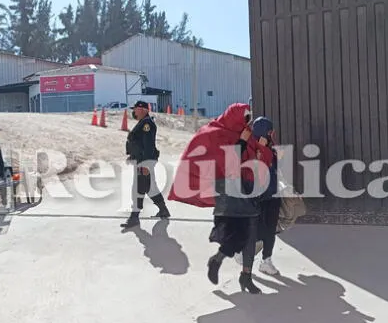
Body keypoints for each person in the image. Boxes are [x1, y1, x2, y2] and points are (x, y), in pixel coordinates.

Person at [168, 103, 265, 293]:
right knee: (235, 234)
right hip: (226, 192)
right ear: (234, 117)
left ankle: (246, 276)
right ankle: (218, 260)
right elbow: (228, 166)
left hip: (246, 189)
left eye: (249, 118)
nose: (247, 122)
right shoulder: (213, 134)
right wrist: (242, 143)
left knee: (250, 233)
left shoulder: (244, 134)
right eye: (244, 118)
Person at [120, 100, 171, 229]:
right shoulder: (143, 123)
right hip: (141, 160)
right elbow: (139, 144)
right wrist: (132, 156)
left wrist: (146, 165)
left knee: (138, 189)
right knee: (150, 187)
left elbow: (148, 146)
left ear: (142, 110)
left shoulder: (146, 124)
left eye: (136, 109)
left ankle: (134, 218)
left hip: (144, 162)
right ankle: (163, 210)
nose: (134, 111)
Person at [251, 116, 281, 275]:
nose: (273, 134)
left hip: (273, 195)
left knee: (270, 231)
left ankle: (266, 261)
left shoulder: (270, 147)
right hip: (260, 198)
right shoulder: (252, 150)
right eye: (270, 132)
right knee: (258, 231)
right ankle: (243, 253)